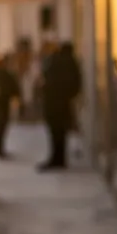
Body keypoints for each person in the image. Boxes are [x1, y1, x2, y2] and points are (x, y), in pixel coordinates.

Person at [39, 41, 80, 171]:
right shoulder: (70, 62)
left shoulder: (58, 62)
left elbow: (48, 80)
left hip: (55, 104)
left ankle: (57, 159)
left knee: (56, 133)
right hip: (62, 103)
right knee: (60, 133)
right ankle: (59, 159)